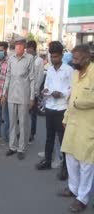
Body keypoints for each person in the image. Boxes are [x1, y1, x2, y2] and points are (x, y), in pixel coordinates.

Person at [58, 45, 94, 213]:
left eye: (77, 59)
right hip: (72, 121)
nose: (74, 62)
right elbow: (71, 96)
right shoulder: (74, 73)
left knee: (86, 162)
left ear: (86, 58)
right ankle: (73, 188)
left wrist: (79, 102)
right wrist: (66, 117)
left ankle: (82, 198)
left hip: (88, 125)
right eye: (73, 58)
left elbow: (80, 99)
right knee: (71, 156)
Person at [35, 41, 73, 182]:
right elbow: (46, 85)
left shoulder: (69, 70)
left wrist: (62, 93)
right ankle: (47, 161)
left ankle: (65, 168)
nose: (54, 59)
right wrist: (45, 91)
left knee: (63, 139)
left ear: (62, 56)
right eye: (52, 56)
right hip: (50, 107)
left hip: (62, 108)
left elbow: (72, 89)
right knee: (49, 136)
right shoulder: (49, 69)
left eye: (56, 56)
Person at [1, 39, 35, 160]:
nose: (18, 48)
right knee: (12, 123)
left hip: (24, 96)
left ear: (24, 47)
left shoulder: (30, 58)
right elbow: (8, 76)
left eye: (20, 46)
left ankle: (21, 149)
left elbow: (32, 79)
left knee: (23, 124)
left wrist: (32, 98)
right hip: (11, 96)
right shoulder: (11, 59)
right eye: (16, 46)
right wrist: (4, 94)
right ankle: (12, 146)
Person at [26, 40, 44, 143]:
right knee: (24, 113)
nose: (27, 50)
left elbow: (40, 77)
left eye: (29, 48)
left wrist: (36, 91)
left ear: (33, 48)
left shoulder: (39, 61)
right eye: (27, 48)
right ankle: (24, 131)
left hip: (34, 92)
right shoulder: (26, 59)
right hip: (25, 90)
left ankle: (32, 134)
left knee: (33, 114)